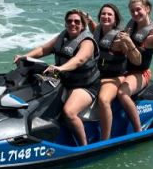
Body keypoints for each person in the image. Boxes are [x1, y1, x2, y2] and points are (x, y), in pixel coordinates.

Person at [14, 10, 101, 146]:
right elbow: (43, 50)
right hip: (64, 80)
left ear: (83, 25)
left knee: (69, 112)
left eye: (77, 22)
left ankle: (84, 146)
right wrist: (25, 57)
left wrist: (60, 68)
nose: (73, 24)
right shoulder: (63, 36)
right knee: (34, 91)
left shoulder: (87, 42)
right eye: (69, 21)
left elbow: (79, 59)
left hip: (85, 85)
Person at [83, 4, 141, 141]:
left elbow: (137, 61)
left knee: (103, 100)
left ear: (115, 20)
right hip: (98, 74)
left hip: (116, 77)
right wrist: (89, 20)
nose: (106, 16)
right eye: (103, 14)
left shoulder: (120, 38)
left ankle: (105, 139)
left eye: (110, 14)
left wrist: (129, 43)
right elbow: (95, 29)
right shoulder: (97, 30)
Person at [117, 0, 153, 133]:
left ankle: (138, 130)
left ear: (147, 9)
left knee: (122, 93)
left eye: (138, 10)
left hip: (140, 72)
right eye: (132, 11)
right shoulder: (131, 24)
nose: (135, 14)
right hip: (124, 69)